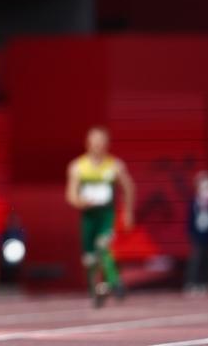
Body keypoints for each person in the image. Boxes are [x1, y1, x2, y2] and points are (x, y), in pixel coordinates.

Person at [66, 127, 135, 308]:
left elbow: (128, 188)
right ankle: (96, 290)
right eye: (94, 142)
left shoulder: (114, 165)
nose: (97, 146)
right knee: (90, 259)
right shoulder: (77, 167)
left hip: (106, 215)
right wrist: (80, 201)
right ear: (88, 144)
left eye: (101, 142)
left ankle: (115, 282)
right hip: (89, 217)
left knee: (103, 246)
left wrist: (128, 212)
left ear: (107, 144)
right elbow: (71, 195)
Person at [185, 171, 208, 296]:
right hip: (197, 235)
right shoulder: (194, 202)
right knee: (196, 259)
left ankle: (205, 283)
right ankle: (192, 283)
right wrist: (191, 233)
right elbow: (190, 219)